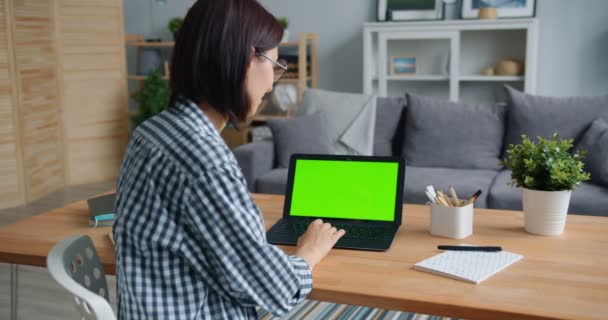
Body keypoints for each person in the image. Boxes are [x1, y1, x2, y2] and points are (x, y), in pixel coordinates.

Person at [112, 0, 345, 319]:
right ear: (246, 59)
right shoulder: (205, 160)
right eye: (274, 66)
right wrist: (309, 252)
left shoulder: (151, 132)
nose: (271, 83)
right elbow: (274, 287)